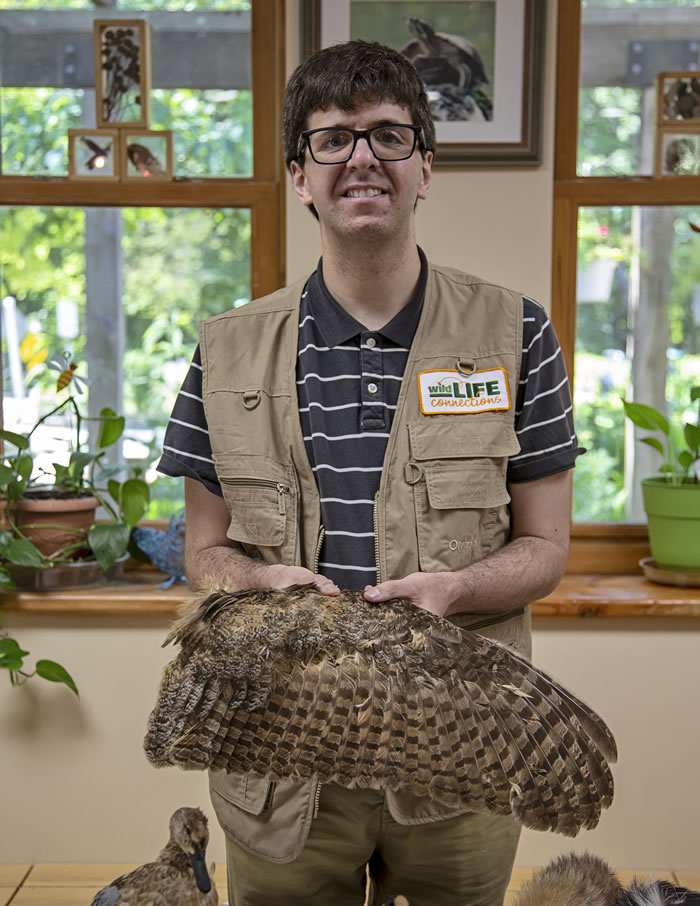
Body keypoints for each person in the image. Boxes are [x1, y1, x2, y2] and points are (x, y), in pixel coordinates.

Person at [158, 39, 582, 906]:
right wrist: (262, 582)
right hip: (279, 752)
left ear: (425, 169)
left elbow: (546, 546)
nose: (362, 157)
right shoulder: (225, 350)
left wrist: (453, 593)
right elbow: (203, 551)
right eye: (333, 138)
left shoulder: (517, 333)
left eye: (390, 136)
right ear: (298, 175)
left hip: (460, 751)